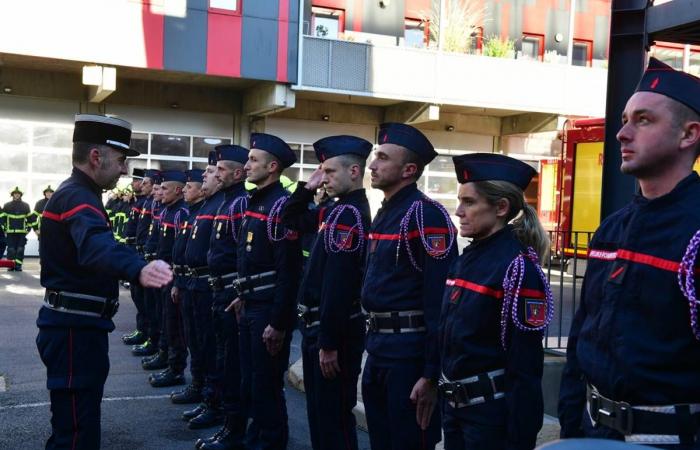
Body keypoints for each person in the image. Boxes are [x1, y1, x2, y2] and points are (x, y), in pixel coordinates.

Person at [558, 58, 700, 447]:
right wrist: (572, 427)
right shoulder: (612, 229)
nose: (622, 133)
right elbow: (579, 341)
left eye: (643, 120)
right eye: (624, 119)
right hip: (593, 432)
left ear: (689, 135)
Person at [35, 114, 173, 449]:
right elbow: (97, 245)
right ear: (97, 157)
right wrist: (137, 268)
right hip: (74, 332)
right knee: (76, 434)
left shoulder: (81, 193)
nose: (125, 170)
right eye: (122, 160)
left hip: (76, 328)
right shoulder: (78, 198)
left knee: (75, 424)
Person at [440, 153, 553, 450]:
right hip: (455, 410)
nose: (458, 211)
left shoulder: (517, 268)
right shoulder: (468, 258)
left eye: (469, 202)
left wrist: (520, 435)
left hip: (490, 420)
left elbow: (525, 365)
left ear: (501, 207)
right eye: (459, 201)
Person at [361, 122, 457, 450]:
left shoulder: (425, 215)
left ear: (409, 170)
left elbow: (438, 302)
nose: (372, 165)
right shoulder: (387, 211)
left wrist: (431, 374)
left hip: (409, 358)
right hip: (378, 350)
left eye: (383, 158)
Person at [281, 135, 372, 450]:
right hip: (318, 327)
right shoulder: (334, 210)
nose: (325, 179)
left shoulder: (349, 214)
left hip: (333, 330)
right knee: (320, 416)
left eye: (331, 172)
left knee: (333, 419)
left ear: (354, 172)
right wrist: (307, 187)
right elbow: (289, 218)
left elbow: (340, 283)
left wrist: (329, 343)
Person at [226, 132, 302, 450]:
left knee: (266, 384)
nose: (247, 165)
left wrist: (279, 322)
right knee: (251, 382)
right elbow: (251, 261)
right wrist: (243, 294)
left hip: (267, 310)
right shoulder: (256, 201)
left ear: (273, 167)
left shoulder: (281, 208)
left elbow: (289, 271)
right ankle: (256, 439)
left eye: (253, 160)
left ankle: (270, 442)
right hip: (251, 303)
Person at [196, 144, 250, 450]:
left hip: (230, 290)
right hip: (217, 289)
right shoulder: (227, 202)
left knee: (230, 364)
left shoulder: (241, 202)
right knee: (218, 355)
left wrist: (240, 290)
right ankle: (223, 417)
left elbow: (244, 253)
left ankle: (232, 428)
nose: (214, 175)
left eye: (219, 170)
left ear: (236, 172)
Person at [182, 151, 227, 430]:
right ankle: (202, 390)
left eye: (211, 171)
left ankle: (215, 401)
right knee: (197, 342)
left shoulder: (223, 205)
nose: (206, 175)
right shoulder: (208, 206)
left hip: (211, 285)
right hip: (194, 283)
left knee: (212, 348)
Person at [148, 171, 190, 388]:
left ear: (177, 190)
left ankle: (175, 368)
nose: (159, 191)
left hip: (173, 275)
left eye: (164, 188)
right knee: (164, 318)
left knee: (174, 325)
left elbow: (178, 250)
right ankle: (165, 357)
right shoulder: (167, 210)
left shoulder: (181, 213)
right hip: (161, 273)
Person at [170, 169, 206, 405]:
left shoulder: (201, 213)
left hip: (202, 285)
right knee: (191, 337)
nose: (184, 189)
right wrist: (177, 282)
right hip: (186, 281)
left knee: (203, 343)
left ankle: (205, 391)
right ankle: (197, 385)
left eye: (189, 186)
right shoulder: (190, 214)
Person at [122, 168, 150, 346]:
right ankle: (142, 329)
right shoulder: (138, 202)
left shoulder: (146, 203)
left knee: (144, 298)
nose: (133, 184)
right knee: (137, 295)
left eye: (136, 181)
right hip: (133, 248)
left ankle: (147, 333)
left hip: (140, 250)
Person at [2, 186, 35, 271]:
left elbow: (29, 218)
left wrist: (28, 228)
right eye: (15, 194)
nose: (16, 195)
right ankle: (11, 265)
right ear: (12, 195)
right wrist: (4, 228)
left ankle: (18, 265)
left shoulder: (26, 205)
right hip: (10, 232)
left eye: (18, 194)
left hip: (22, 232)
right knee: (11, 249)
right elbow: (2, 218)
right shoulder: (7, 205)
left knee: (20, 249)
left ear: (20, 195)